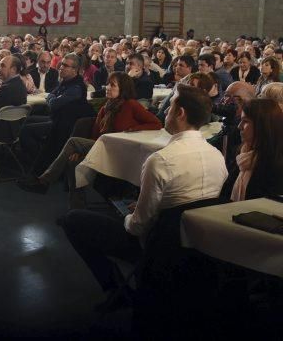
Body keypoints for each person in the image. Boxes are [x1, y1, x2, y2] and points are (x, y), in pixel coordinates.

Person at [58, 85, 227, 302]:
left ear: (181, 113)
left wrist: (129, 214)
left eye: (170, 105)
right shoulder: (217, 156)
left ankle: (116, 289)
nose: (165, 111)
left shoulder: (161, 160)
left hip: (159, 247)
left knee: (72, 220)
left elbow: (137, 226)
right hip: (197, 245)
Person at [18, 72, 162, 208]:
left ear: (123, 89)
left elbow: (156, 123)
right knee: (74, 161)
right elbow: (96, 134)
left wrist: (133, 129)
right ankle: (76, 208)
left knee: (73, 141)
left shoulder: (131, 105)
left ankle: (44, 180)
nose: (107, 88)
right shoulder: (106, 108)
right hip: (103, 147)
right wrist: (82, 151)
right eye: (107, 84)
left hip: (120, 150)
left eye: (112, 85)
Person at [19, 53, 93, 170]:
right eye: (61, 64)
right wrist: (52, 98)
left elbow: (53, 104)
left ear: (75, 70)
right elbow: (52, 94)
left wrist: (52, 98)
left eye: (65, 65)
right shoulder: (66, 82)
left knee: (26, 130)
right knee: (25, 120)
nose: (61, 67)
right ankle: (35, 159)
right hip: (56, 118)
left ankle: (41, 163)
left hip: (63, 124)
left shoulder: (76, 87)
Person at [220, 98, 283, 202]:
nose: (239, 126)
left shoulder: (276, 165)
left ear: (263, 126)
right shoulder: (243, 154)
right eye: (240, 120)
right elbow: (225, 194)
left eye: (245, 121)